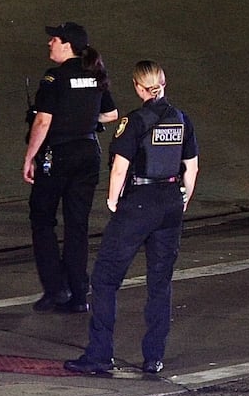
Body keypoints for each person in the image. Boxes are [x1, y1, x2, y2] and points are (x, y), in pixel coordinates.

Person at [64, 62, 198, 377]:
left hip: (139, 204)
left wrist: (112, 200)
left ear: (139, 87)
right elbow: (191, 169)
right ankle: (153, 357)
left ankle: (99, 354)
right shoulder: (182, 120)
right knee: (159, 281)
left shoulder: (135, 121)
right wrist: (183, 201)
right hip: (169, 202)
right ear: (164, 83)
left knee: (105, 278)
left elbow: (120, 167)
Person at [23, 21, 118, 314]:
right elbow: (111, 114)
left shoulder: (55, 77)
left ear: (67, 44)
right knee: (77, 225)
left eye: (54, 39)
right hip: (88, 153)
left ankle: (55, 288)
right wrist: (84, 120)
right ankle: (79, 293)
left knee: (42, 219)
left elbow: (43, 121)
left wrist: (29, 156)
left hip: (59, 154)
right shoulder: (95, 74)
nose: (49, 42)